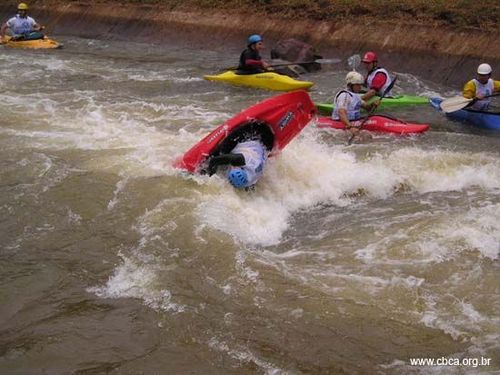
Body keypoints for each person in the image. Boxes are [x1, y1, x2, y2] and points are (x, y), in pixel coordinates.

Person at [332, 71, 378, 136]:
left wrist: (373, 105)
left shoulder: (356, 96)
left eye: (360, 85)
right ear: (351, 85)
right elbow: (341, 112)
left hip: (354, 121)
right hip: (342, 123)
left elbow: (368, 108)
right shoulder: (344, 95)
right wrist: (350, 127)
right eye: (357, 85)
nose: (360, 87)